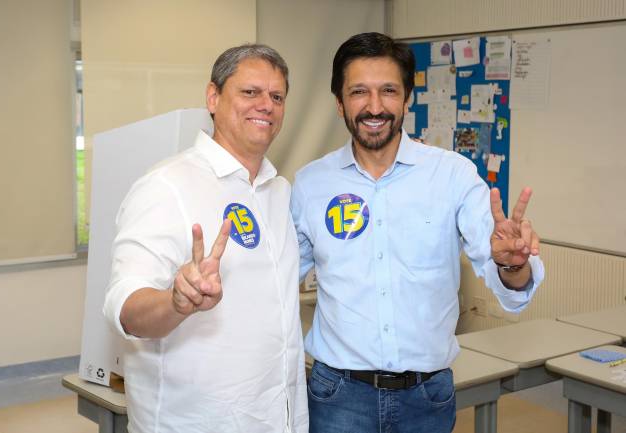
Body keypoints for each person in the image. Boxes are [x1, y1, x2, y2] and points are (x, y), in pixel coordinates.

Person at [291, 32, 544, 433]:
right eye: (359, 91)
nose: (375, 107)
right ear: (339, 102)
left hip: (427, 396)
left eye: (388, 90)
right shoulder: (310, 185)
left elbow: (506, 277)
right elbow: (276, 279)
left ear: (407, 98)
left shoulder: (453, 175)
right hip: (338, 396)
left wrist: (512, 265)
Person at [103, 44, 308, 433]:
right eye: (250, 92)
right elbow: (124, 306)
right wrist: (177, 301)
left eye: (277, 96)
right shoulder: (166, 185)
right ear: (213, 97)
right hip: (194, 422)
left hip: (275, 417)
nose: (266, 105)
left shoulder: (278, 190)